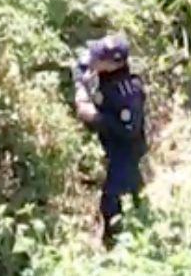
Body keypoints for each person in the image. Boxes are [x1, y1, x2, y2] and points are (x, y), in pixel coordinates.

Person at [73, 34, 147, 248]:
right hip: (112, 142)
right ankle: (137, 211)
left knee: (112, 199)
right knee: (129, 188)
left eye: (99, 58)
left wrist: (95, 118)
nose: (93, 60)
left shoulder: (128, 94)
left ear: (114, 64)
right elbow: (81, 63)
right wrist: (81, 87)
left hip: (127, 149)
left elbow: (128, 130)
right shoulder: (99, 66)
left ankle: (115, 245)